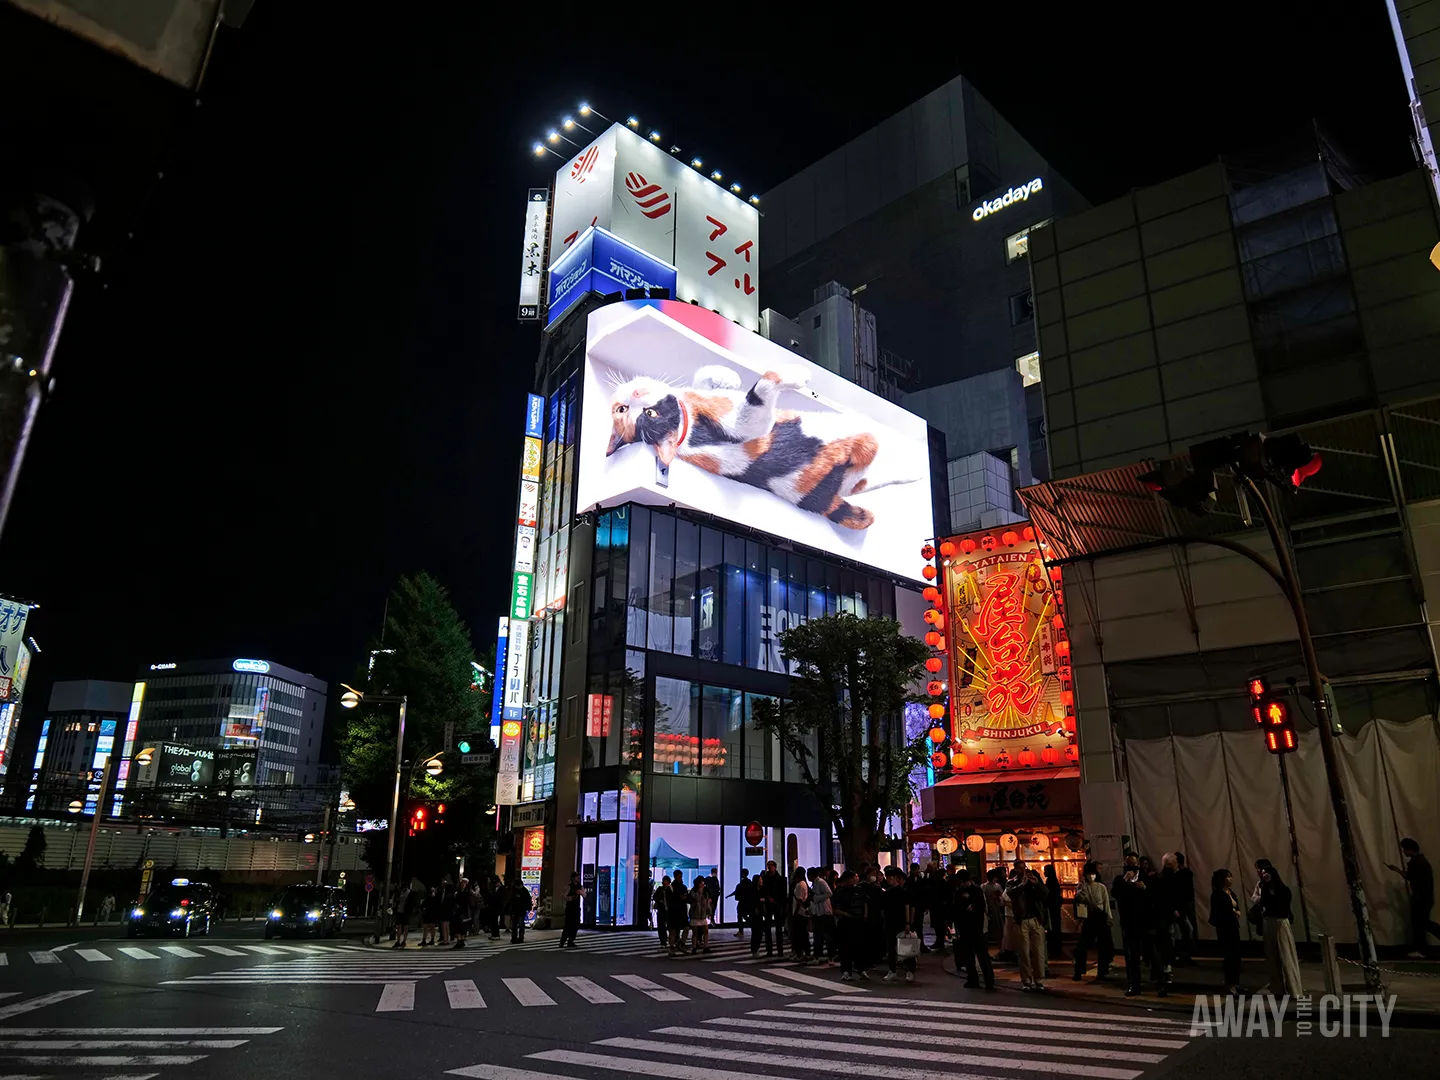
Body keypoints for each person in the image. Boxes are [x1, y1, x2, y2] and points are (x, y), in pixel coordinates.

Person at [1253, 858, 1303, 997]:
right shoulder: (1266, 889)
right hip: (1270, 922)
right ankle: (1278, 988)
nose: (1263, 875)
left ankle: (1292, 988)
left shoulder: (1281, 890)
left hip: (1279, 922)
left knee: (1285, 955)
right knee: (1273, 957)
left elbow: (1278, 904)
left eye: (1265, 873)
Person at [1388, 838, 1439, 958]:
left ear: (1409, 849)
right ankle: (1423, 949)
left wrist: (1416, 897)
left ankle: (1423, 950)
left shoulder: (1417, 862)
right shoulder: (1420, 861)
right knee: (1422, 924)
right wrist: (1397, 870)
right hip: (1424, 898)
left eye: (1404, 849)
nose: (1404, 852)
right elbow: (1411, 877)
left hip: (1421, 898)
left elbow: (1415, 879)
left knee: (1420, 924)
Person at [951, 868, 995, 990]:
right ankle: (974, 979)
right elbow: (956, 909)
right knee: (969, 956)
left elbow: (977, 908)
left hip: (975, 928)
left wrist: (968, 906)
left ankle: (988, 981)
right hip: (968, 928)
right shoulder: (960, 892)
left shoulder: (976, 891)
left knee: (981, 956)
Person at [1112, 854, 1149, 996]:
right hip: (1128, 922)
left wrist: (1144, 888)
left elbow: (1153, 896)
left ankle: (1159, 982)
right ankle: (1134, 984)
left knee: (1151, 953)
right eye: (1129, 864)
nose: (1131, 867)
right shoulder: (1120, 880)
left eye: (1134, 864)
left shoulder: (1145, 878)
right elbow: (1115, 893)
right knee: (1131, 955)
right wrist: (1125, 880)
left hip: (1145, 921)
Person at [1007, 866, 1049, 992]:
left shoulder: (1034, 882)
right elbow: (1010, 894)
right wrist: (1022, 885)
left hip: (1036, 919)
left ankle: (1039, 980)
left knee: (1039, 952)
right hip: (1021, 920)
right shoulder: (1012, 883)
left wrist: (1036, 883)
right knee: (1024, 952)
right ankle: (1026, 981)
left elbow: (1046, 894)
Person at [1071, 861, 1113, 981]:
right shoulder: (1082, 887)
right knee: (1082, 946)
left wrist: (1109, 919)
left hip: (1100, 916)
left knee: (1103, 946)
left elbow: (1106, 904)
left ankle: (1102, 972)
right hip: (1089, 917)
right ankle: (1079, 971)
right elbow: (1080, 899)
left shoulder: (1101, 887)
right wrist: (1082, 888)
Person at [1209, 868, 1243, 995]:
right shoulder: (1217, 894)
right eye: (1228, 877)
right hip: (1225, 928)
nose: (1230, 879)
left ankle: (1236, 982)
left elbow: (1235, 905)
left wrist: (1237, 911)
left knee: (1236, 956)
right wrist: (1233, 912)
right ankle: (1230, 984)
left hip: (1233, 926)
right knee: (1229, 956)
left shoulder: (1230, 892)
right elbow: (1220, 911)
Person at [882, 866, 917, 983]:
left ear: (895, 878)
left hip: (900, 922)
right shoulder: (887, 892)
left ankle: (909, 971)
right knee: (891, 948)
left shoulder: (903, 892)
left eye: (890, 878)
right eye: (887, 878)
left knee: (905, 948)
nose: (888, 880)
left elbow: (907, 907)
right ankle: (892, 970)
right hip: (890, 923)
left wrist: (907, 922)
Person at [832, 870, 868, 981]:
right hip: (846, 922)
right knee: (845, 948)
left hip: (858, 922)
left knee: (860, 947)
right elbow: (835, 909)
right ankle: (846, 971)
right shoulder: (840, 892)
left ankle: (861, 970)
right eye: (853, 878)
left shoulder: (859, 890)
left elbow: (865, 903)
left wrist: (865, 917)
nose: (855, 880)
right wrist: (846, 914)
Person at [808, 867, 835, 965]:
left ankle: (830, 957)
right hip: (818, 913)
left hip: (824, 912)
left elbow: (829, 893)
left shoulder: (821, 882)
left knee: (827, 936)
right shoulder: (815, 884)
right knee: (817, 936)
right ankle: (817, 956)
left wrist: (817, 898)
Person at [1174, 853, 1197, 964]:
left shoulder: (1179, 875)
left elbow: (1179, 893)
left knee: (1187, 929)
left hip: (1183, 905)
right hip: (1189, 904)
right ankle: (1188, 954)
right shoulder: (1188, 873)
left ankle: (1186, 954)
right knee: (1189, 929)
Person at [762, 862, 788, 956]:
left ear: (775, 867)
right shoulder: (765, 879)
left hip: (778, 904)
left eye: (771, 866)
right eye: (769, 866)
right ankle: (770, 950)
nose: (770, 868)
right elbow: (763, 891)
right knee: (769, 928)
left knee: (778, 929)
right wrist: (768, 898)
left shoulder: (780, 879)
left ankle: (779, 949)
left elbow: (784, 893)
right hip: (770, 904)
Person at [788, 867, 811, 961]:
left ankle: (800, 953)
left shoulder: (800, 885)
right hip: (801, 913)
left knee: (799, 934)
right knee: (802, 934)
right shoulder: (803, 884)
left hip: (799, 914)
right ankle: (803, 952)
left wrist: (795, 913)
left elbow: (799, 900)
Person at [982, 868, 1006, 956]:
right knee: (998, 928)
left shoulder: (983, 886)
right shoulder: (997, 886)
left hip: (989, 908)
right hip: (995, 908)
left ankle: (990, 950)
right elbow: (1002, 899)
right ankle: (1000, 948)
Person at [1043, 863, 1065, 960]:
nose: (1044, 873)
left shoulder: (1050, 881)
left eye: (1045, 870)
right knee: (1056, 927)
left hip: (1052, 908)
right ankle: (1057, 947)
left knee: (1053, 927)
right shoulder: (1054, 880)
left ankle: (1054, 948)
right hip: (1055, 907)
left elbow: (1048, 895)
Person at [667, 872, 691, 956]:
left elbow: (686, 897)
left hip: (680, 910)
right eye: (679, 876)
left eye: (681, 876)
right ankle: (672, 947)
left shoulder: (680, 886)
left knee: (686, 927)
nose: (680, 878)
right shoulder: (672, 887)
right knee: (673, 930)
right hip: (674, 910)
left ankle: (681, 944)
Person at [731, 868, 756, 941]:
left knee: (741, 916)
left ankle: (743, 930)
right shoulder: (749, 882)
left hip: (743, 902)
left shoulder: (743, 883)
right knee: (744, 916)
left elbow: (738, 892)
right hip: (746, 902)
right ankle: (751, 927)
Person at [690, 875, 712, 954]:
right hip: (695, 914)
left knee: (705, 931)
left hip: (702, 915)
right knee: (695, 932)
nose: (703, 884)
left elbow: (707, 903)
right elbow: (696, 899)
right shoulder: (694, 892)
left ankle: (705, 946)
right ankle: (694, 947)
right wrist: (700, 891)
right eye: (701, 882)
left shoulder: (705, 892)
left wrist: (709, 911)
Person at [559, 872, 583, 948]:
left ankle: (571, 941)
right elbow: (563, 896)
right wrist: (570, 898)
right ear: (573, 878)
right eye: (576, 877)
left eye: (578, 877)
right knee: (568, 926)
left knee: (576, 925)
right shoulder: (569, 886)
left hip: (576, 908)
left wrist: (581, 892)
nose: (578, 878)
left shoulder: (580, 886)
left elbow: (585, 894)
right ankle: (562, 941)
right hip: (570, 908)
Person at [507, 878, 532, 943]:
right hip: (515, 910)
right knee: (514, 925)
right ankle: (514, 938)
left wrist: (527, 907)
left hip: (521, 910)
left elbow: (528, 901)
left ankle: (521, 938)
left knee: (521, 925)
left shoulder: (524, 891)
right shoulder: (514, 890)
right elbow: (511, 900)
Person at [654, 876, 672, 951]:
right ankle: (663, 941)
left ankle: (669, 940)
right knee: (661, 926)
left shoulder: (670, 889)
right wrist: (660, 900)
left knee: (670, 926)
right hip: (662, 909)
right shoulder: (660, 889)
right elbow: (655, 897)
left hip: (668, 910)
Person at [391, 884, 411, 948]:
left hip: (406, 912)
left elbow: (412, 902)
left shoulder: (410, 893)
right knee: (399, 926)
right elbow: (395, 901)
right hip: (399, 911)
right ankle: (398, 941)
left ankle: (404, 941)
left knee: (405, 927)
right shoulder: (399, 892)